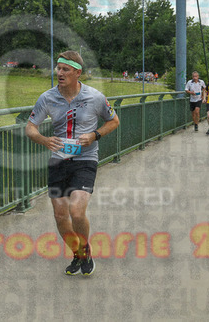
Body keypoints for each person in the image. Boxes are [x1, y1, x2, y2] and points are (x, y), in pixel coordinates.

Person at [26, 51, 120, 276]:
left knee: (76, 212)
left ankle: (85, 250)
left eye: (65, 69)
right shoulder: (47, 98)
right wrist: (44, 140)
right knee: (60, 216)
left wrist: (95, 135)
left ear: (78, 73)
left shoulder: (95, 97)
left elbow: (114, 121)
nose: (60, 73)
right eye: (58, 68)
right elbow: (30, 127)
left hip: (85, 159)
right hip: (58, 161)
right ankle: (78, 253)